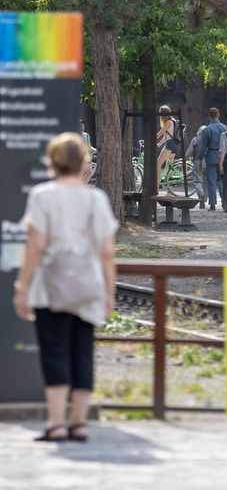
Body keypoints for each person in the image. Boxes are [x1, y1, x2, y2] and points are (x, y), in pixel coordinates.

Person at [13, 133, 118, 442]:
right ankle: (79, 422)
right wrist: (109, 292)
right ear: (82, 161)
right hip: (88, 285)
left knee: (54, 350)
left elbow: (36, 246)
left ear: (53, 161)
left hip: (51, 286)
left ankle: (57, 423)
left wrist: (23, 287)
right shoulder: (96, 198)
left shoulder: (43, 195)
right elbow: (107, 252)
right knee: (82, 350)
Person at [196, 108, 227, 211]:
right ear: (218, 115)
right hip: (223, 155)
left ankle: (212, 204)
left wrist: (200, 158)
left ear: (209, 116)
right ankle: (224, 198)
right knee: (221, 179)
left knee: (211, 181)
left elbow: (203, 146)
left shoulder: (207, 130)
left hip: (211, 156)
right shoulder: (225, 128)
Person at [156, 105, 181, 189]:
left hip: (170, 145)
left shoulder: (167, 123)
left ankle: (157, 185)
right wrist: (159, 144)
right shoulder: (173, 121)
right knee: (168, 166)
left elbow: (158, 135)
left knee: (158, 164)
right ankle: (170, 190)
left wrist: (148, 139)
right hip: (175, 144)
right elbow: (168, 136)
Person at [184, 125, 207, 209]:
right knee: (206, 182)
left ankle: (200, 194)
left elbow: (189, 152)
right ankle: (204, 198)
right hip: (208, 163)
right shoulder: (210, 139)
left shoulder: (195, 139)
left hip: (198, 162)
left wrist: (186, 157)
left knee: (197, 181)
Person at [79, 119, 96, 184]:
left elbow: (89, 147)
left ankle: (82, 185)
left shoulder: (86, 135)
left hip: (86, 157)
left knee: (89, 172)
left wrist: (96, 150)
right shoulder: (73, 135)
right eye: (80, 126)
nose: (82, 128)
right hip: (77, 157)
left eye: (83, 126)